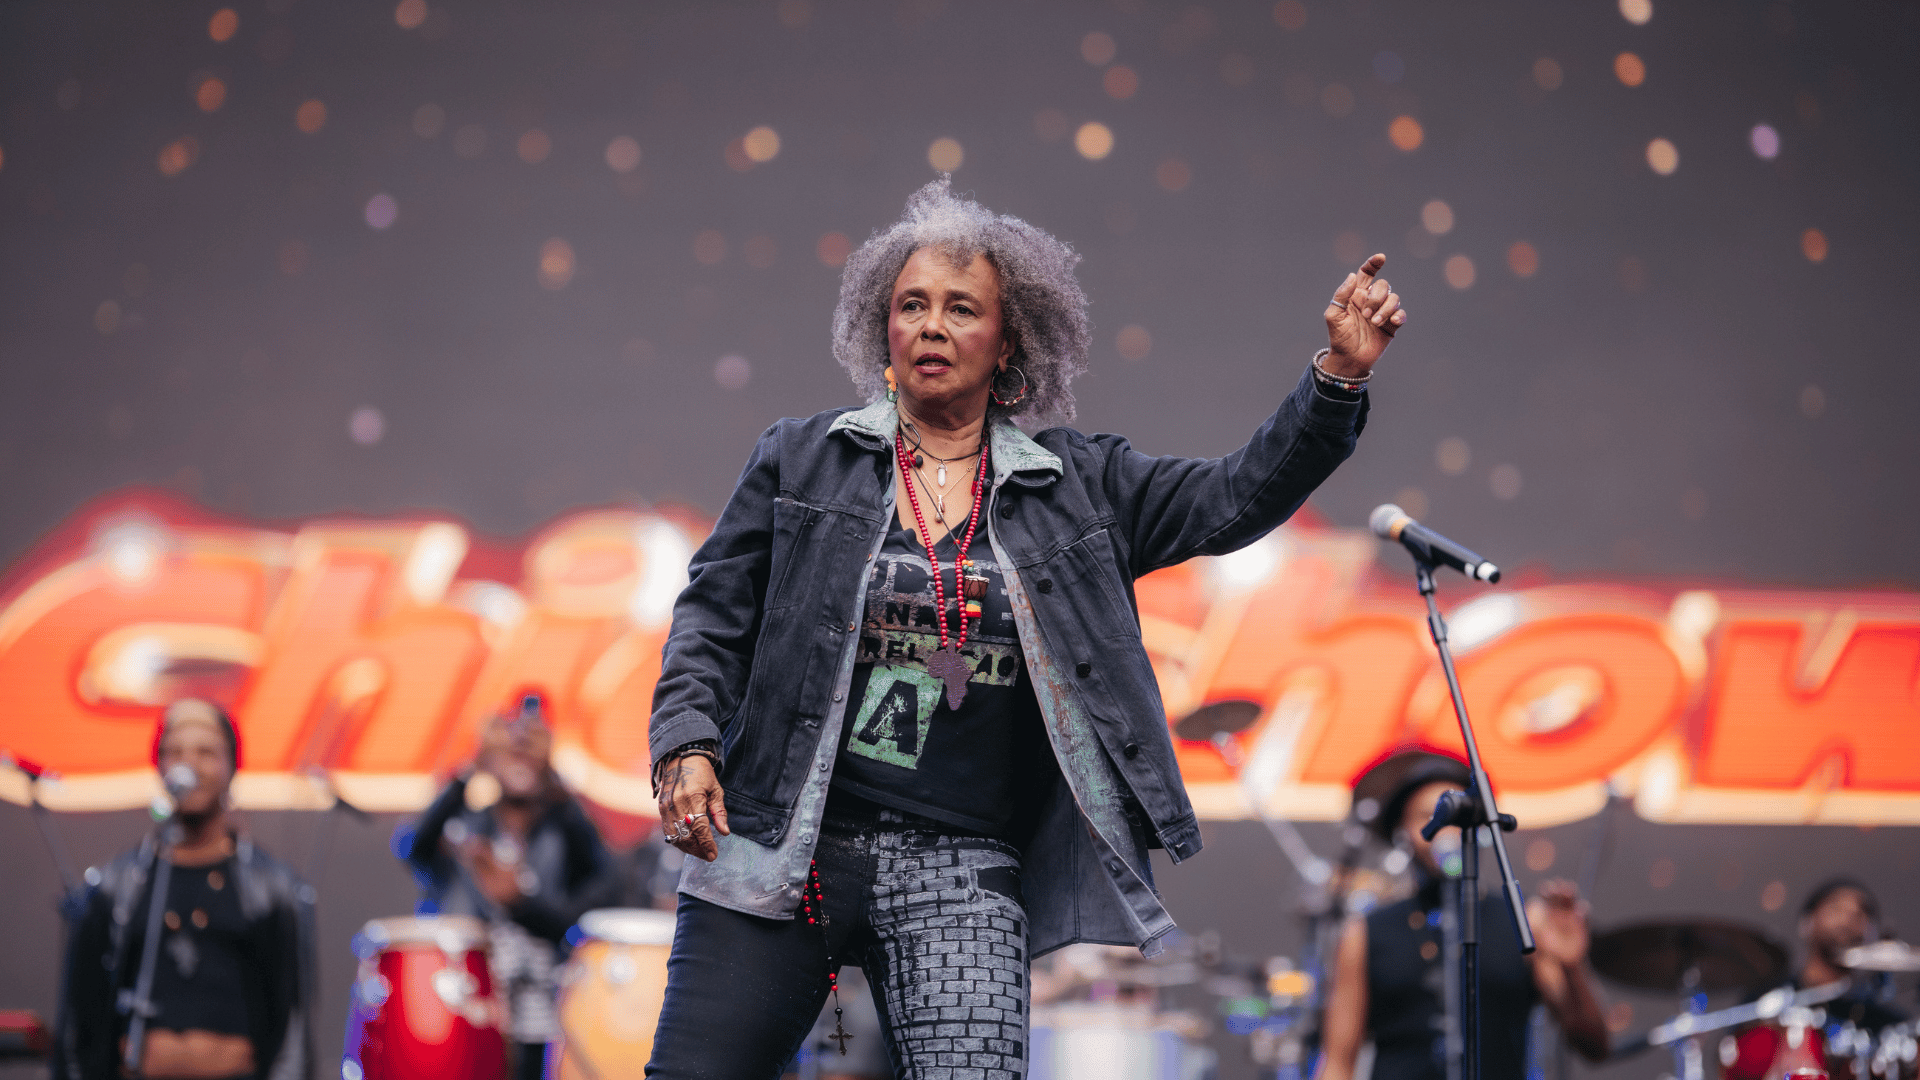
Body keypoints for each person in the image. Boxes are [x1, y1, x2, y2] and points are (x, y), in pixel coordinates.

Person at [645, 177, 1401, 1078]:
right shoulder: (802, 457)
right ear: (881, 332)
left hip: (959, 868)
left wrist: (1338, 379)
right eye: (911, 305)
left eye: (961, 308)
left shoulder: (1080, 486)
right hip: (782, 844)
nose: (931, 325)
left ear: (1010, 345)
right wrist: (686, 741)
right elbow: (713, 611)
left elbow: (1232, 499)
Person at [55, 698, 316, 1080]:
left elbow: (292, 1028)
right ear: (158, 766)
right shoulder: (117, 886)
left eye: (206, 752)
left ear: (232, 766)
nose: (189, 765)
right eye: (174, 752)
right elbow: (80, 1026)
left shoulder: (273, 889)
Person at [1317, 755, 1608, 1080]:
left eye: (1460, 817)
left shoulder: (1522, 920)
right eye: (1430, 816)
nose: (1446, 828)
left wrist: (1572, 968)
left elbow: (1593, 1044)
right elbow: (1339, 1061)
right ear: (1404, 833)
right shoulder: (1367, 932)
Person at [401, 694, 615, 1080]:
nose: (520, 751)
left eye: (531, 745)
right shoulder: (466, 827)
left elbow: (601, 892)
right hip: (465, 1010)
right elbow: (415, 847)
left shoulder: (563, 833)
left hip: (543, 1018)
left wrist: (520, 904)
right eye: (510, 743)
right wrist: (472, 767)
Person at [1722, 878, 1909, 1080]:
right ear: (1807, 924)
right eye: (1836, 908)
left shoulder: (1887, 1022)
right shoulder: (1767, 999)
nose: (1848, 918)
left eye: (1860, 914)